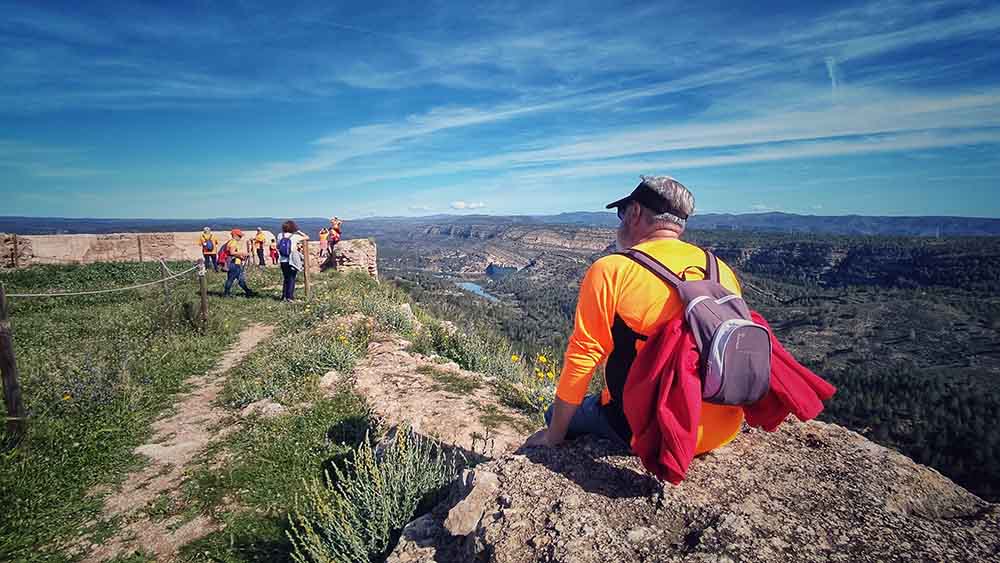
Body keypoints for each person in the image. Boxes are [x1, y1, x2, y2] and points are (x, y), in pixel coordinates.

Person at [524, 176, 744, 455]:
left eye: (622, 213)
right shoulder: (720, 269)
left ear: (636, 212)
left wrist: (554, 436)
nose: (620, 221)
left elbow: (584, 353)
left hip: (654, 430)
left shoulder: (613, 269)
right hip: (721, 429)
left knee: (554, 412)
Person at [277, 220, 309, 302]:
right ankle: (290, 297)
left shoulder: (280, 235)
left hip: (282, 260)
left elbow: (278, 246)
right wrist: (298, 231)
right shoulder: (295, 236)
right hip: (292, 260)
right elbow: (307, 237)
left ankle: (284, 296)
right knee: (292, 278)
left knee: (286, 278)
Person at [223, 229, 254, 297]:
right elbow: (232, 252)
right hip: (233, 264)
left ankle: (248, 291)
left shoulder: (231, 242)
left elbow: (232, 254)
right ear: (235, 235)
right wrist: (244, 253)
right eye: (239, 236)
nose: (241, 237)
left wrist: (240, 257)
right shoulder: (233, 242)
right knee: (231, 279)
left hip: (234, 263)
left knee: (240, 279)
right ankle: (226, 294)